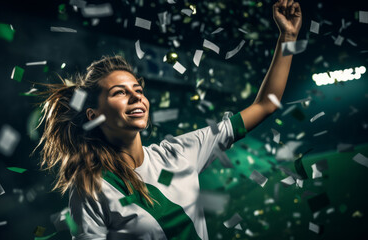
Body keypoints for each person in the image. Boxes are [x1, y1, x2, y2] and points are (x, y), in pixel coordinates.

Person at [33, 0, 302, 239]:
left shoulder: (180, 153)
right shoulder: (91, 187)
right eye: (119, 93)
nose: (136, 97)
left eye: (138, 90)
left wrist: (287, 38)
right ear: (93, 115)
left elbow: (267, 103)